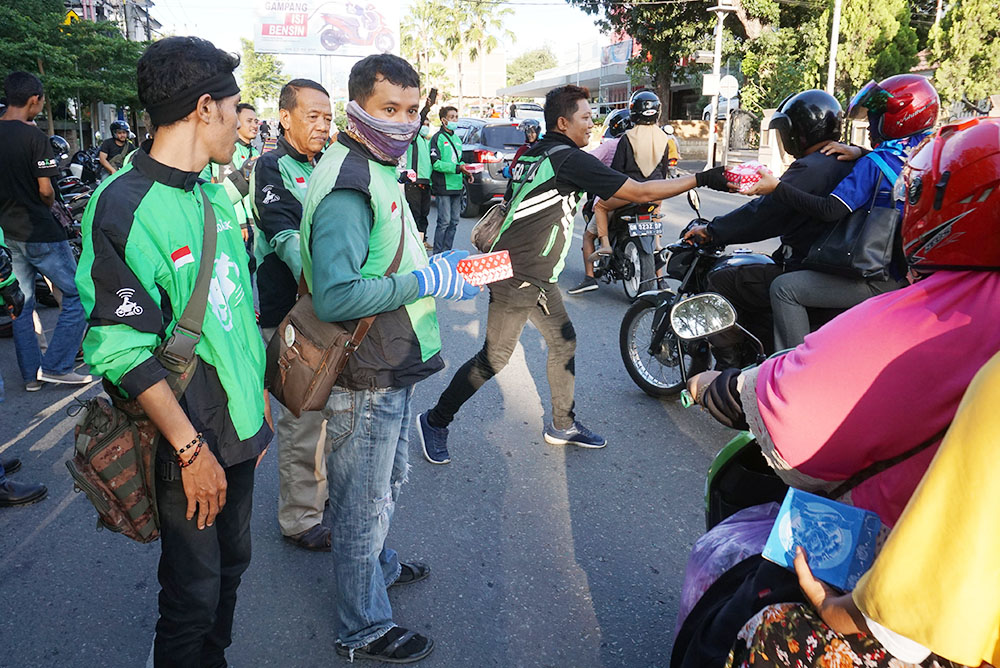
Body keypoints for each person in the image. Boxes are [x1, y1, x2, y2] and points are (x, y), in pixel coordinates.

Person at [676, 118, 1000, 668]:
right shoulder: (870, 158)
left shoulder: (930, 307)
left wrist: (723, 385)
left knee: (730, 631)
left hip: (911, 606)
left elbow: (796, 215)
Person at [75, 36, 272, 665]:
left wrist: (256, 420)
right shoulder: (125, 207)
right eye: (238, 112)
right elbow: (120, 344)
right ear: (204, 108)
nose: (245, 129)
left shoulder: (212, 195)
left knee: (232, 568)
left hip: (237, 427)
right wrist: (191, 452)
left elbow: (236, 316)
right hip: (185, 434)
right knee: (192, 592)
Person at [417, 84, 730, 463]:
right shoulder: (568, 159)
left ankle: (562, 424)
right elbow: (642, 192)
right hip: (516, 273)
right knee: (494, 358)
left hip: (537, 272)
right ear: (563, 122)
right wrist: (702, 179)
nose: (592, 123)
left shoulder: (537, 151)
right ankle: (435, 420)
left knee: (563, 342)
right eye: (585, 117)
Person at [298, 53, 477, 664]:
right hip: (366, 369)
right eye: (387, 110)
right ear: (356, 110)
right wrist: (428, 279)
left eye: (410, 110)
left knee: (387, 482)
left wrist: (431, 271)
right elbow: (337, 292)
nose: (403, 123)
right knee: (360, 502)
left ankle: (379, 565)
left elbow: (381, 256)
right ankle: (363, 625)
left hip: (390, 361)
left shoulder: (376, 166)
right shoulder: (350, 181)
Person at [746, 74, 940, 349]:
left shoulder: (874, 164)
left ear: (897, 119)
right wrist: (861, 151)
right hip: (913, 274)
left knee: (785, 289)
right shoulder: (929, 154)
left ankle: (790, 371)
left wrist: (776, 188)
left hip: (878, 278)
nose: (870, 126)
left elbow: (829, 210)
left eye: (875, 118)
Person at [683, 89, 856, 367]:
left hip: (804, 266)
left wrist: (713, 231)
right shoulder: (848, 159)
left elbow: (764, 214)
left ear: (799, 131)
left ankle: (731, 366)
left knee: (721, 279)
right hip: (834, 266)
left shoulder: (810, 167)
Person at [251, 79, 333, 552]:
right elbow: (282, 235)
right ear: (285, 117)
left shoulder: (327, 164)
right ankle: (300, 519)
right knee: (302, 420)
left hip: (333, 313)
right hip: (291, 315)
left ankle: (323, 501)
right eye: (312, 116)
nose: (323, 125)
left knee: (331, 414)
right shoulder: (270, 166)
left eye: (328, 117)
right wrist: (330, 283)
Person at [0, 71, 92, 390]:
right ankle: (57, 365)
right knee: (79, 293)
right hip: (40, 230)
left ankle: (31, 377)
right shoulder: (35, 137)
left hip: (9, 233)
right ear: (34, 100)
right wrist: (50, 199)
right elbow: (46, 190)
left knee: (22, 304)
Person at [585, 90, 672, 263]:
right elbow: (663, 171)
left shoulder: (627, 138)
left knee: (601, 206)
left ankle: (605, 245)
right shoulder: (665, 139)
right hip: (656, 194)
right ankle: (657, 244)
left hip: (630, 194)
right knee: (655, 210)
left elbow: (617, 171)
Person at [568, 107, 631, 295]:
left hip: (614, 197)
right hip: (645, 195)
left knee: (588, 235)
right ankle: (660, 281)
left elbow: (587, 162)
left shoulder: (611, 145)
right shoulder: (642, 145)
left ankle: (589, 278)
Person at [429, 105, 474, 253]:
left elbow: (459, 160)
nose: (455, 119)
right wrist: (457, 168)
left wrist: (466, 171)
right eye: (452, 117)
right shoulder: (437, 138)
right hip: (443, 186)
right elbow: (436, 164)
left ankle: (447, 252)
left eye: (456, 116)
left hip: (457, 185)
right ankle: (437, 253)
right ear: (443, 120)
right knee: (444, 222)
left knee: (454, 222)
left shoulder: (457, 139)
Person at [403, 94, 435, 245]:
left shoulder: (425, 141)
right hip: (413, 182)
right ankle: (414, 242)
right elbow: (418, 123)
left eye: (428, 124)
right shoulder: (413, 139)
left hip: (426, 182)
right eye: (424, 124)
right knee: (415, 213)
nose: (426, 126)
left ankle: (423, 240)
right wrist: (427, 109)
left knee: (424, 214)